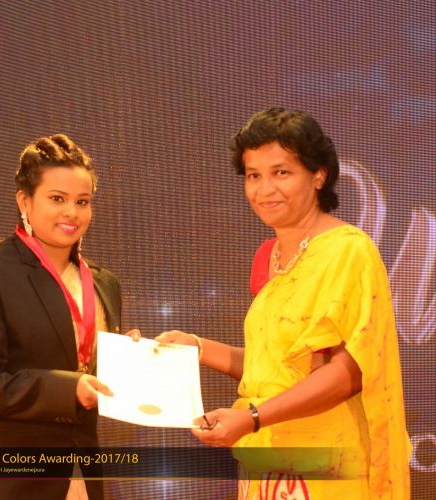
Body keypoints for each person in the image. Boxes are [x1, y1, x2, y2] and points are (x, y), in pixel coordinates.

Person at [156, 108, 411, 498]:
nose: (264, 189)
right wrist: (198, 347)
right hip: (268, 458)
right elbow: (277, 368)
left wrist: (253, 417)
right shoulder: (267, 257)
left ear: (318, 174)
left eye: (281, 172)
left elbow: (349, 373)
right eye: (254, 175)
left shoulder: (348, 251)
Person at [0, 134, 123, 500]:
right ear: (24, 201)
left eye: (82, 201)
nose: (72, 212)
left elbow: (91, 370)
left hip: (80, 476)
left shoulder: (104, 282)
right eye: (57, 198)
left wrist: (133, 360)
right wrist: (69, 389)